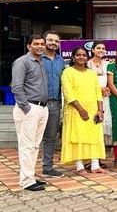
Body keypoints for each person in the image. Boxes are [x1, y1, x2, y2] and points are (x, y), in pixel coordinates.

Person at [11, 35, 50, 191]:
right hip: (29, 109)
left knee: (34, 146)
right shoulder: (22, 62)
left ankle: (29, 176)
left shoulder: (41, 62)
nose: (40, 46)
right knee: (27, 146)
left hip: (42, 108)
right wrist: (26, 108)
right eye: (36, 44)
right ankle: (27, 181)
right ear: (28, 46)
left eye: (42, 44)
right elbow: (16, 87)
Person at [60, 47, 106, 175]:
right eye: (78, 55)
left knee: (94, 137)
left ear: (87, 57)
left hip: (92, 110)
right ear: (73, 57)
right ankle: (79, 166)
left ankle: (95, 165)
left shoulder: (91, 73)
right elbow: (68, 93)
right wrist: (81, 110)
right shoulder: (68, 72)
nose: (81, 57)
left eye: (84, 55)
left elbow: (98, 93)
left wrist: (100, 110)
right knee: (77, 137)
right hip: (75, 110)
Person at [40, 30, 65, 178]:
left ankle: (47, 167)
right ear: (44, 41)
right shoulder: (36, 58)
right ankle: (27, 171)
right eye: (50, 40)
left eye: (56, 41)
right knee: (33, 138)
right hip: (37, 103)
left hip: (55, 103)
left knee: (50, 137)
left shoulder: (61, 61)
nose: (53, 43)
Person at [87, 41, 113, 147]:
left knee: (105, 120)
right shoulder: (87, 64)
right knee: (93, 119)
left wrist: (107, 88)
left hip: (105, 97)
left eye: (103, 48)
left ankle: (102, 147)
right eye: (98, 48)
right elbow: (85, 82)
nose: (101, 50)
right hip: (91, 96)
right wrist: (99, 89)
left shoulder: (108, 64)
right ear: (93, 50)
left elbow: (111, 80)